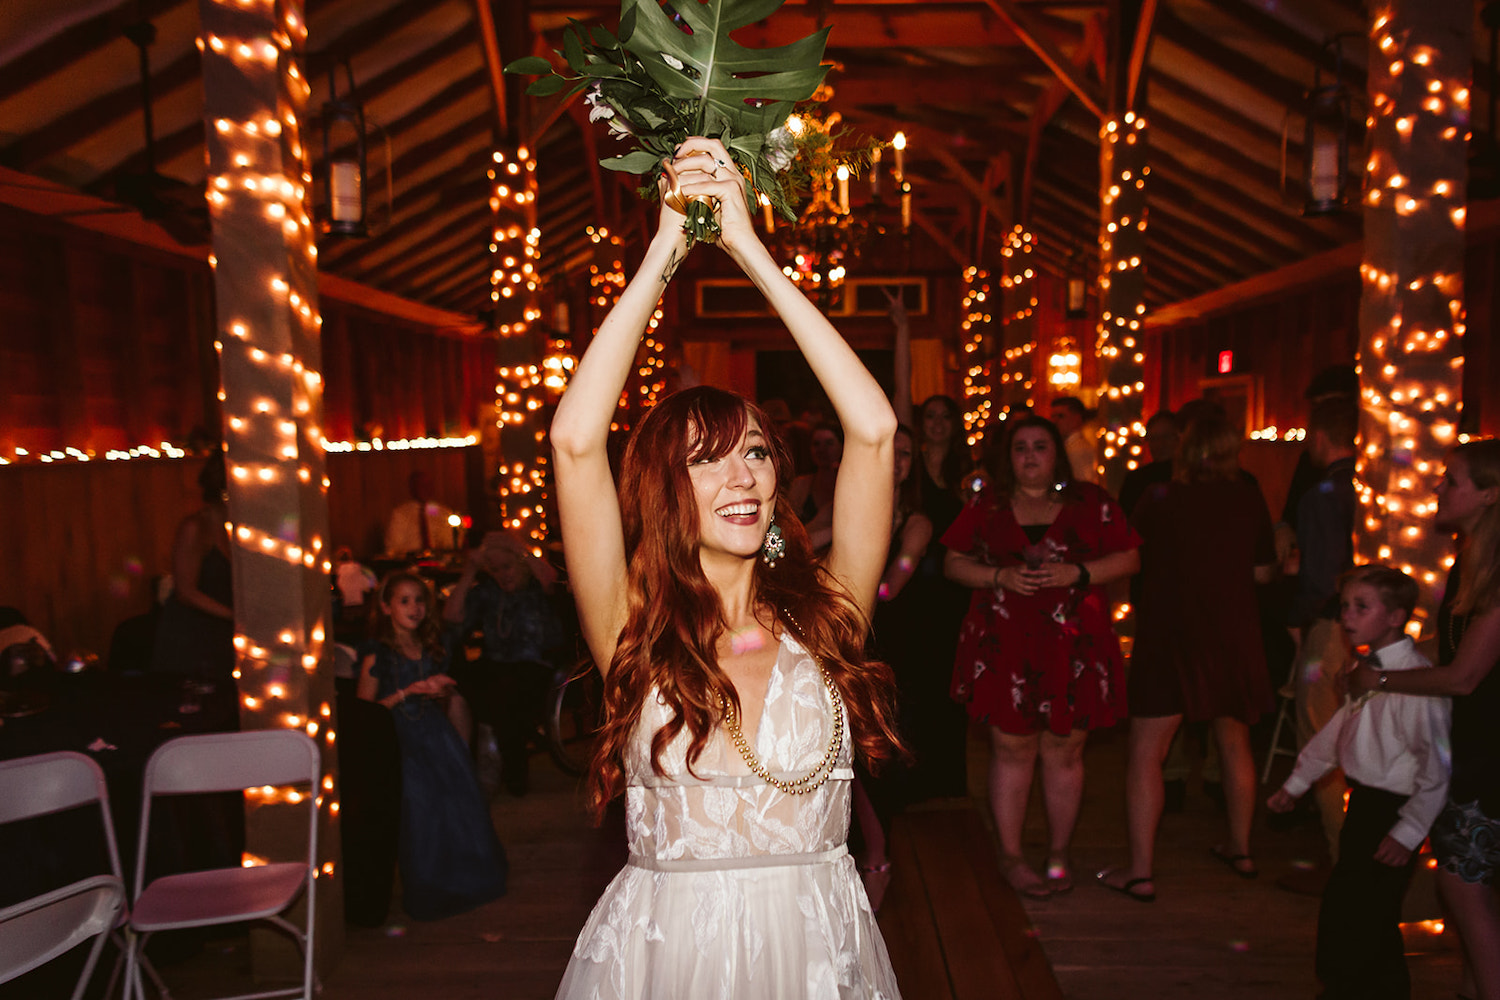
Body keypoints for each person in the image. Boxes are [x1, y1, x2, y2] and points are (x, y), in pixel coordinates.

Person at [548, 137, 904, 998]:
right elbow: (573, 440)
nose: (741, 476)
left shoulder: (828, 615)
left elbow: (876, 430)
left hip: (816, 953)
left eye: (753, 451)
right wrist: (665, 251)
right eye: (707, 461)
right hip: (670, 959)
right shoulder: (631, 632)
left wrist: (748, 246)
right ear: (669, 492)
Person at [943, 414, 1140, 899]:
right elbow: (952, 562)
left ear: (1057, 453)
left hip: (1072, 647)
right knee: (1011, 750)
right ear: (1009, 457)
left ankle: (1058, 854)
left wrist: (1079, 571)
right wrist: (998, 578)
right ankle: (1011, 857)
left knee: (1065, 751)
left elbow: (1131, 556)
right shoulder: (987, 505)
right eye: (1020, 448)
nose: (1030, 456)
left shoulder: (1091, 502)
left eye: (1040, 446)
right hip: (1004, 642)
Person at [1099, 413, 1276, 901]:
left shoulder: (1160, 498)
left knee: (1146, 753)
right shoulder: (1248, 498)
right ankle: (1241, 850)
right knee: (1235, 742)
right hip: (1231, 635)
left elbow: (1128, 556)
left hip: (1170, 633)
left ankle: (1141, 871)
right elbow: (1263, 573)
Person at [1348, 439, 1500, 1000]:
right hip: (1478, 743)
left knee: (1463, 889)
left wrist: (1380, 679)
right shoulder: (1474, 561)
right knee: (1473, 890)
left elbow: (1465, 677)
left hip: (1489, 755)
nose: (1438, 486)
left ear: (1489, 494)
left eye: (1452, 479)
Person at [1268, 566, 1450, 1000]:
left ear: (1395, 617)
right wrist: (1296, 784)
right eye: (1345, 605)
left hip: (1392, 810)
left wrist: (1407, 832)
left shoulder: (1413, 682)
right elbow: (1337, 733)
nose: (1347, 616)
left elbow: (1437, 765)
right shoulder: (1364, 667)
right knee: (1356, 910)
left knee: (1364, 914)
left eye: (1361, 607)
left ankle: (1354, 989)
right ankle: (1356, 987)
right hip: (1366, 804)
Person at [357, 571, 507, 920]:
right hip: (399, 739)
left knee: (458, 801)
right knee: (422, 810)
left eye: (419, 600)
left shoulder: (431, 647)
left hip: (434, 733)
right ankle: (431, 888)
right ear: (385, 607)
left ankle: (469, 880)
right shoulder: (377, 655)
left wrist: (440, 692)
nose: (414, 607)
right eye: (404, 600)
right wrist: (409, 692)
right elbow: (365, 712)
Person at [1283, 396, 1360, 870]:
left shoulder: (1321, 496)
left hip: (1330, 625)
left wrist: (1296, 617)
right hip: (1373, 630)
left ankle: (1342, 859)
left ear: (1319, 436)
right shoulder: (1372, 487)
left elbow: (1319, 576)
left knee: (1321, 738)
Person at [443, 530, 563, 795]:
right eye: (495, 569)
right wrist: (470, 571)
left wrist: (521, 550)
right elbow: (452, 617)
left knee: (504, 692)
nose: (502, 574)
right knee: (456, 682)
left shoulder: (536, 584)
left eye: (508, 566)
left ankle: (510, 770)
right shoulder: (489, 591)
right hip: (497, 662)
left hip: (536, 663)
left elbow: (551, 579)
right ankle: (471, 761)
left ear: (520, 562)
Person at [149, 451, 235, 685]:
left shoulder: (239, 532)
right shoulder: (195, 528)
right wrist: (235, 616)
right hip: (191, 636)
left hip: (223, 634)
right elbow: (185, 592)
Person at [384, 470, 456, 556]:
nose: (426, 489)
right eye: (421, 485)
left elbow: (451, 542)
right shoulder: (401, 514)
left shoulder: (441, 512)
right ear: (412, 488)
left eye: (429, 485)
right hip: (411, 562)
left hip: (438, 560)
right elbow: (393, 546)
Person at [1049, 395, 1100, 485]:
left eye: (1061, 416)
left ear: (1077, 418)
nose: (1055, 421)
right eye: (1053, 416)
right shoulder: (1068, 446)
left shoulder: (1078, 449)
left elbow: (1083, 484)